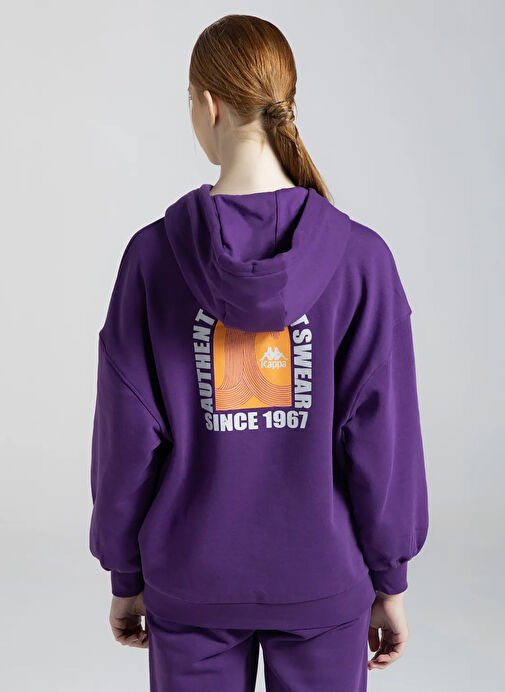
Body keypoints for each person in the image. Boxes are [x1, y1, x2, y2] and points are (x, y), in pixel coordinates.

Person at [89, 13, 429, 692]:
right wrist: (388, 580)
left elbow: (127, 438)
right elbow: (382, 442)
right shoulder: (362, 261)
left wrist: (126, 575)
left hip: (190, 581)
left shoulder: (152, 259)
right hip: (324, 582)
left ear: (208, 104)